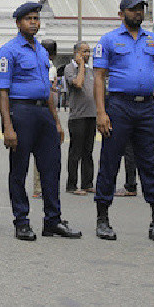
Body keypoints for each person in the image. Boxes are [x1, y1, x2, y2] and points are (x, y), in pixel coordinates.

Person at [0, 3, 82, 241]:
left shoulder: (42, 52)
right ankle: (21, 221)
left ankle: (52, 221)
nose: (33, 22)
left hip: (44, 113)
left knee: (51, 169)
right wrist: (8, 127)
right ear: (18, 23)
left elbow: (48, 91)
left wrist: (56, 121)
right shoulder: (7, 51)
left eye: (36, 18)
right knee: (19, 170)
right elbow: (2, 92)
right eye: (28, 19)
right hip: (21, 113)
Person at [91, 0, 154, 243]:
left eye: (141, 9)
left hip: (146, 109)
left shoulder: (153, 40)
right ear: (121, 13)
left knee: (151, 164)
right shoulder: (109, 40)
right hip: (119, 107)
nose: (138, 13)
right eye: (133, 9)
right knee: (110, 162)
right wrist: (101, 112)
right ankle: (102, 220)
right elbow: (99, 77)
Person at [64, 42, 97, 196]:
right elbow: (78, 83)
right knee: (75, 152)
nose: (87, 54)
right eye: (84, 52)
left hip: (91, 115)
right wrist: (81, 65)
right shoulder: (70, 69)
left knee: (88, 152)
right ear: (76, 53)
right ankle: (72, 184)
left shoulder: (91, 71)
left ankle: (87, 183)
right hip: (78, 117)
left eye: (89, 52)